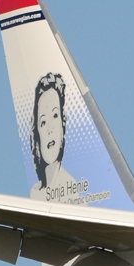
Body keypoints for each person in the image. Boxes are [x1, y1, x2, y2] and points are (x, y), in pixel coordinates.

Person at [29, 72, 77, 201]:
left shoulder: (73, 190)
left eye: (55, 116)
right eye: (43, 122)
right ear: (36, 132)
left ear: (63, 121)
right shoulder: (35, 193)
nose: (50, 130)